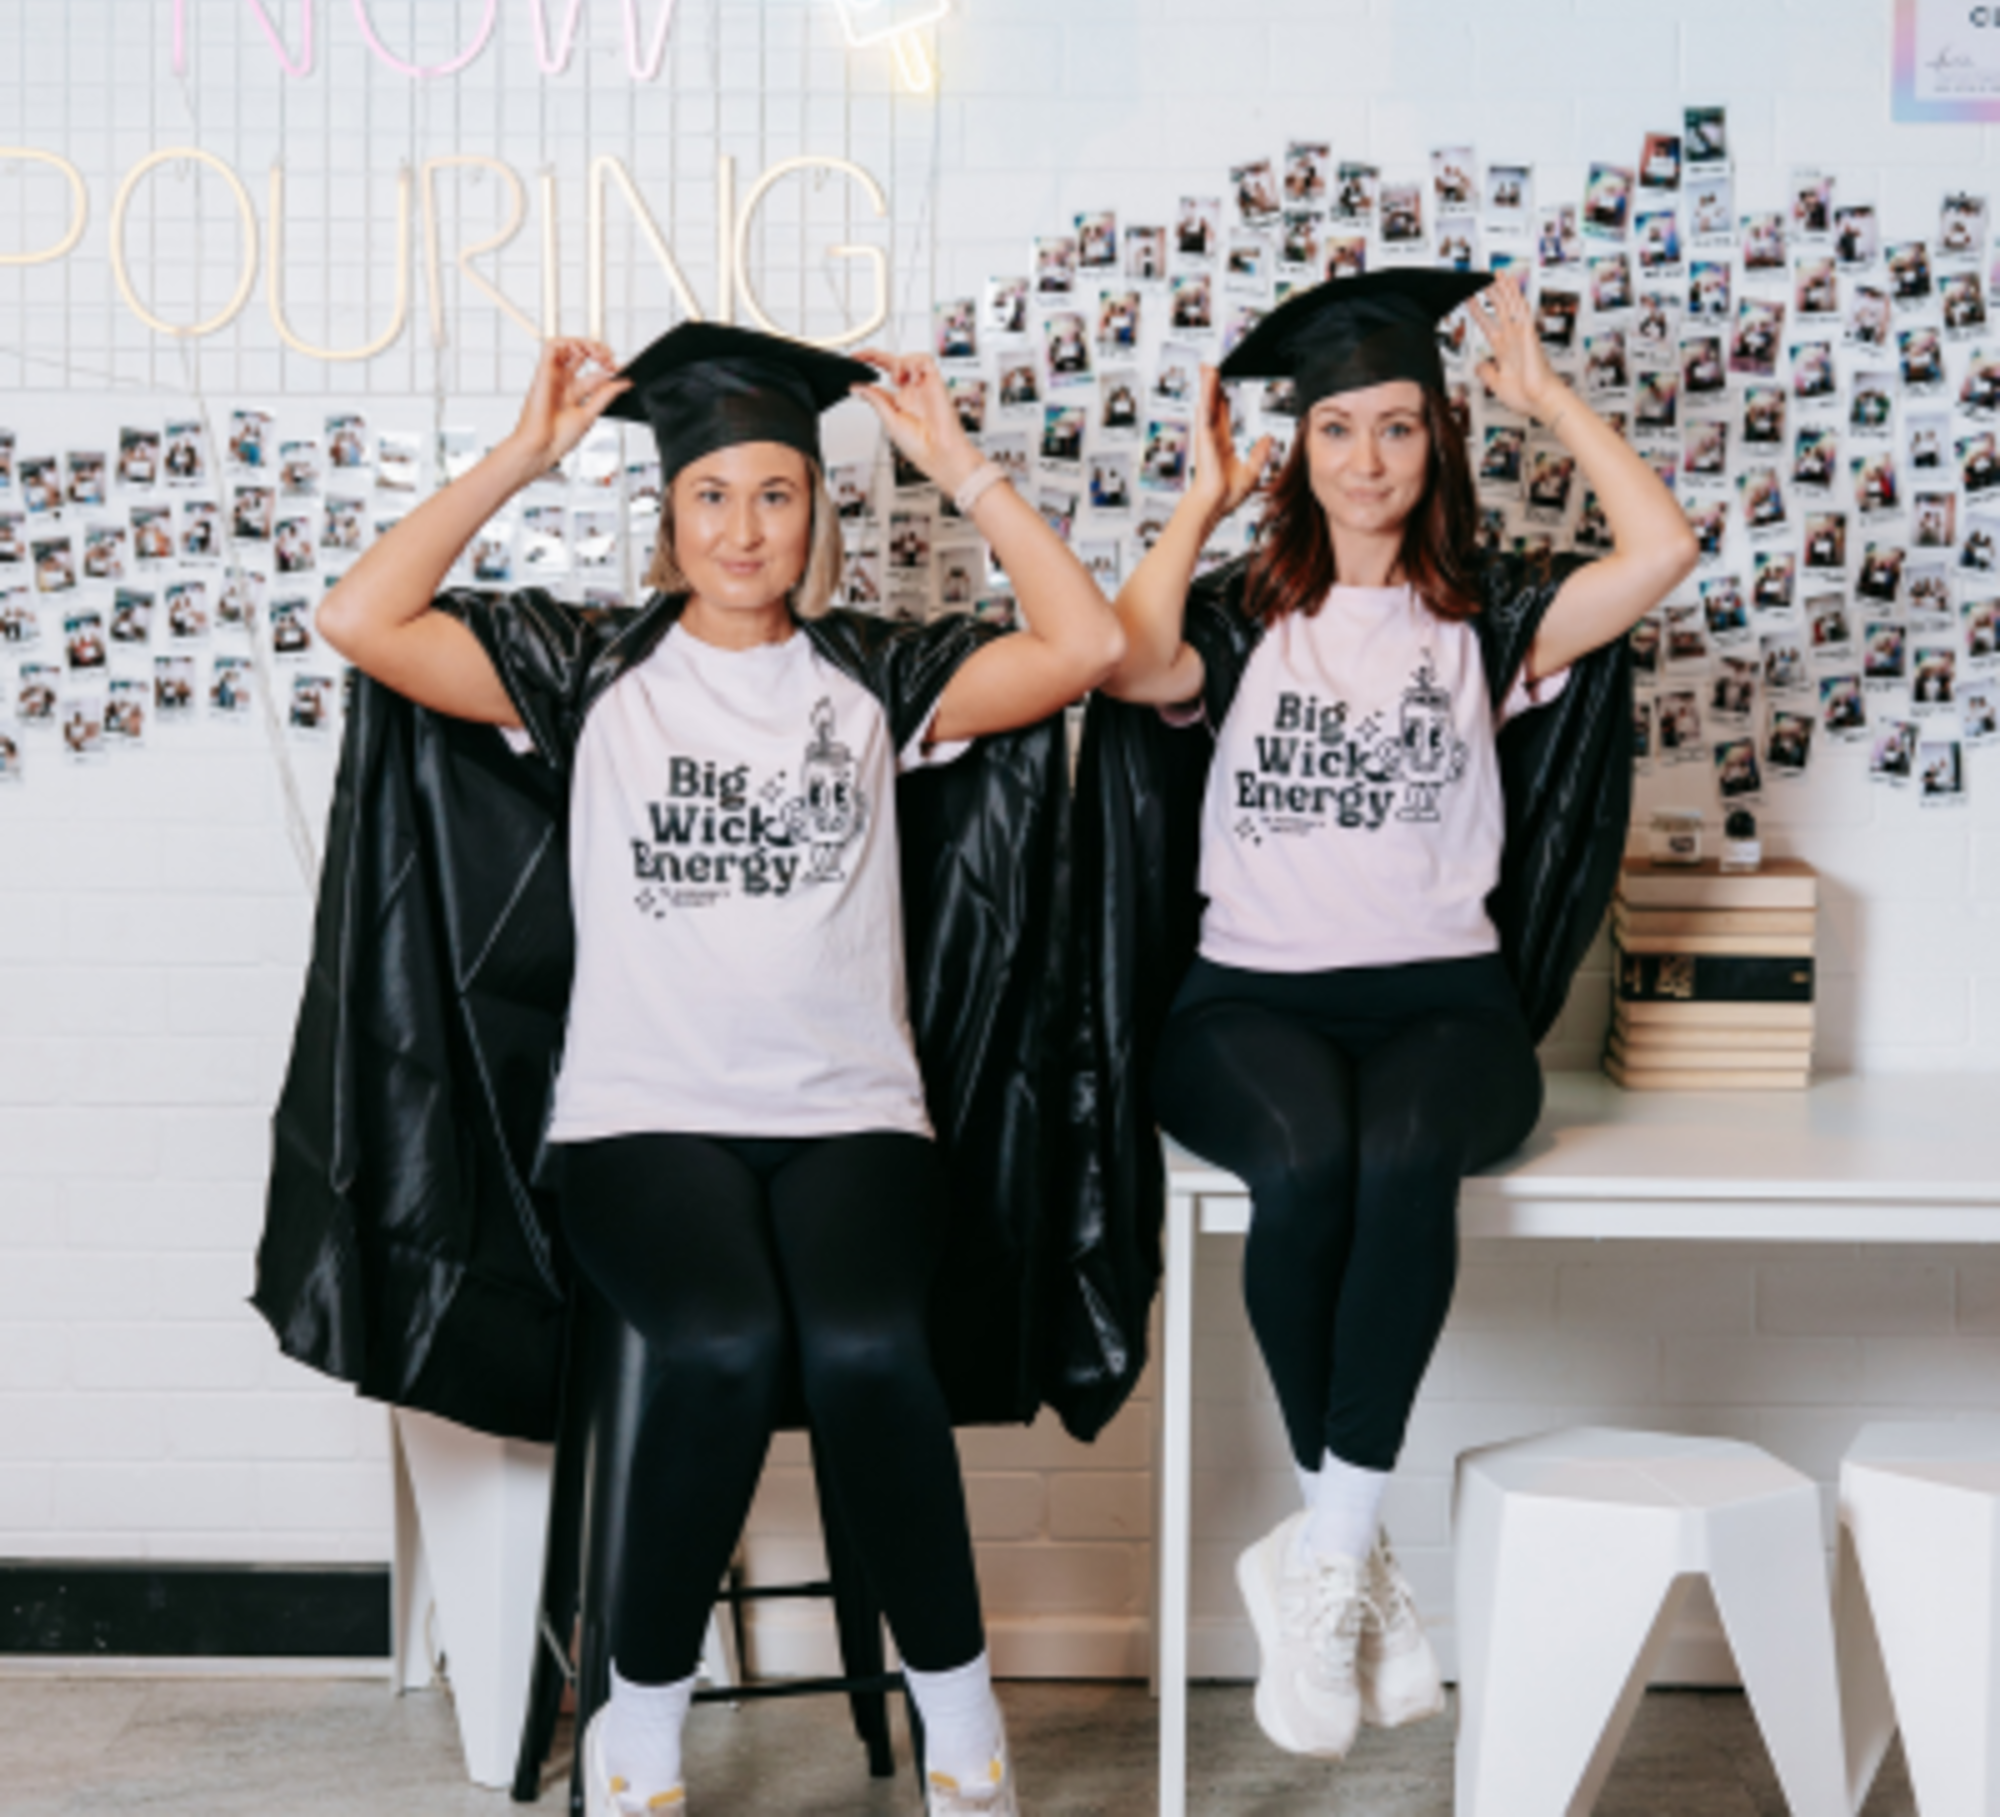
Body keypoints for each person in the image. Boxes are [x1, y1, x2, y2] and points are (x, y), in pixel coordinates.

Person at [271, 323, 1129, 1817]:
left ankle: (961, 1711)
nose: (747, 530)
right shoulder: (592, 667)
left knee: (869, 1349)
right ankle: (640, 1722)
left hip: (854, 1119)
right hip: (640, 1124)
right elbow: (362, 615)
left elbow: (1087, 650)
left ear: (820, 514)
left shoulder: (877, 674)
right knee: (721, 1345)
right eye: (714, 496)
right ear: (669, 517)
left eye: (780, 494)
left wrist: (965, 467)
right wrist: (524, 456)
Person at [1077, 268, 1694, 1767]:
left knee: (1402, 1151)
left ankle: (1324, 1556)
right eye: (1337, 429)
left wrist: (1549, 399)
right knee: (1304, 1163)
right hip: (1248, 1004)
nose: (1366, 460)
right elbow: (1117, 655)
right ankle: (1354, 1559)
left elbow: (1664, 549)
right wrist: (1199, 505)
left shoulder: (1486, 621)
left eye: (1399, 427)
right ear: (1300, 450)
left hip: (1445, 1010)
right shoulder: (1236, 622)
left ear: (1438, 444)